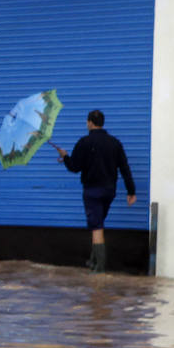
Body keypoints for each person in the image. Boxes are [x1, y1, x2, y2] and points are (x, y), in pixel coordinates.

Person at [56, 109, 136, 273]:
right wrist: (131, 191)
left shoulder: (84, 142)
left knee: (97, 226)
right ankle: (92, 261)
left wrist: (65, 157)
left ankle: (99, 270)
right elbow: (125, 168)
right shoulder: (115, 143)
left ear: (90, 123)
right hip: (109, 191)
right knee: (97, 223)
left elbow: (74, 167)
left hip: (92, 191)